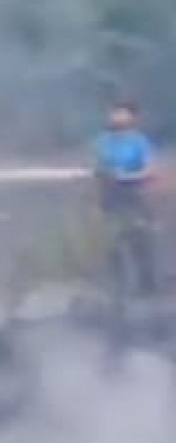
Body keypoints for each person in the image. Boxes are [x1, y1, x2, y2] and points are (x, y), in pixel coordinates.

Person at [93, 100, 158, 299]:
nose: (117, 117)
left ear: (132, 118)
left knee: (140, 238)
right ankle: (117, 285)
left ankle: (147, 283)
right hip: (110, 194)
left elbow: (149, 169)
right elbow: (99, 165)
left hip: (133, 193)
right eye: (115, 113)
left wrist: (129, 176)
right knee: (112, 240)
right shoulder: (103, 140)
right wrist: (105, 174)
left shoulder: (139, 141)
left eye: (122, 113)